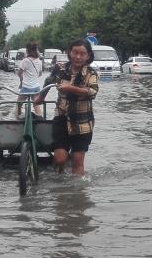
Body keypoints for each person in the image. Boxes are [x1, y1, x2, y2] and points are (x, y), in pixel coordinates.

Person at [49, 40, 99, 176]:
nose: (78, 57)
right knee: (60, 158)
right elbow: (48, 82)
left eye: (82, 54)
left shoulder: (91, 73)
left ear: (88, 56)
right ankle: (58, 175)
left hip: (83, 123)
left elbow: (93, 92)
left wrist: (71, 88)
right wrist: (39, 98)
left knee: (78, 161)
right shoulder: (60, 69)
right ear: (69, 53)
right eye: (75, 52)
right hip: (61, 119)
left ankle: (77, 193)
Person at [16, 42, 44, 119]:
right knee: (36, 104)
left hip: (26, 87)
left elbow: (19, 73)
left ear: (28, 51)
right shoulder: (39, 61)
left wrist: (22, 80)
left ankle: (17, 118)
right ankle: (40, 117)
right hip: (36, 88)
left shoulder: (25, 60)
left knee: (18, 104)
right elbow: (40, 74)